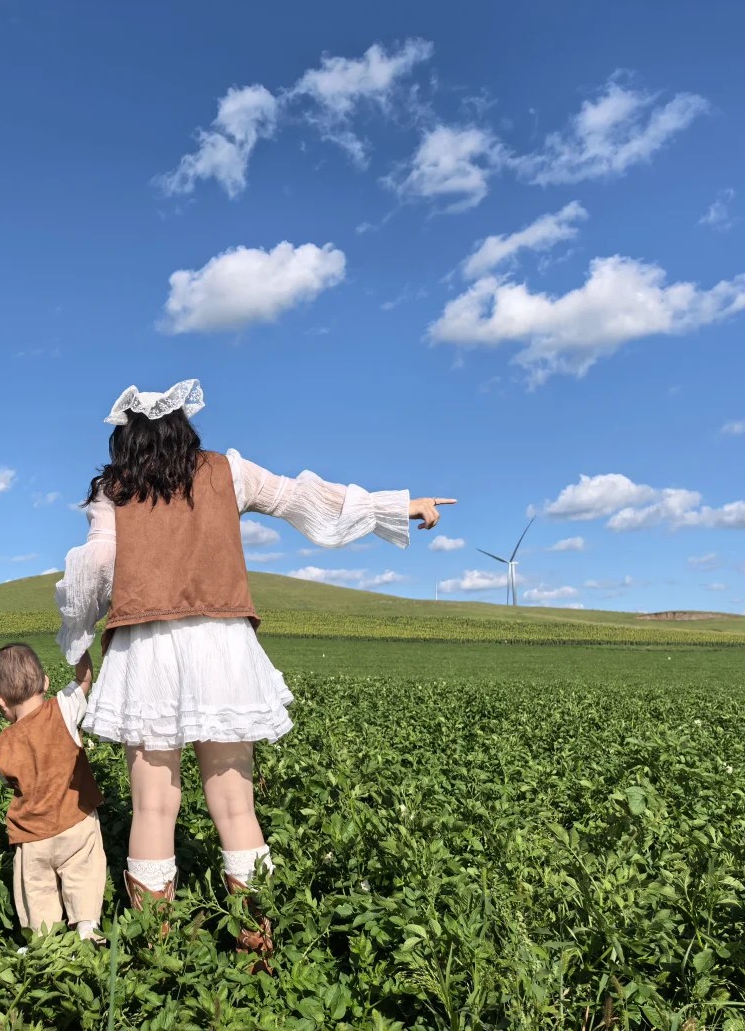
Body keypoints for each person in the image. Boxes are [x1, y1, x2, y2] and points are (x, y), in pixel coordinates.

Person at [54, 379, 454, 957]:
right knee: (236, 804)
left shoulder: (114, 491)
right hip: (222, 643)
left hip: (146, 651)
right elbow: (304, 499)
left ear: (127, 437)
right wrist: (399, 504)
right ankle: (255, 946)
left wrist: (78, 640)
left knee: (151, 807)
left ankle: (158, 952)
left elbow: (93, 567)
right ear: (184, 427)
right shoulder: (228, 472)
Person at [0, 642, 107, 942]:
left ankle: (44, 944)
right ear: (46, 682)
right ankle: (87, 928)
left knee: (36, 891)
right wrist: (79, 643)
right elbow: (85, 679)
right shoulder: (63, 708)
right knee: (84, 873)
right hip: (75, 820)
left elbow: (5, 779)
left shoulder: (0, 748)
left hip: (32, 837)